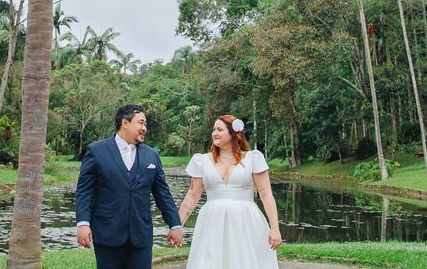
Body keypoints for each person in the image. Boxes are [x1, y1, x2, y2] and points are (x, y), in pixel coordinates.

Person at [75, 104, 183, 269]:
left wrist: (174, 224)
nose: (144, 128)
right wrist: (83, 223)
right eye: (140, 123)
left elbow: (163, 193)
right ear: (125, 123)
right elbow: (85, 191)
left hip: (141, 235)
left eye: (145, 124)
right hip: (107, 233)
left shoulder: (151, 155)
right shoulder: (96, 151)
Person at [178, 114, 282, 269]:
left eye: (219, 129)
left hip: (246, 222)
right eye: (213, 129)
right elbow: (192, 196)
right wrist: (177, 226)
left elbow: (266, 194)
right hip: (212, 222)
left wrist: (275, 228)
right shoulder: (201, 161)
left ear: (233, 133)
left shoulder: (253, 158)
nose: (214, 133)